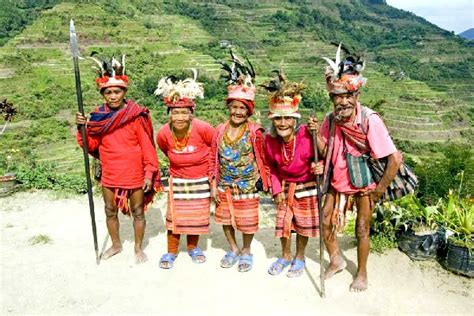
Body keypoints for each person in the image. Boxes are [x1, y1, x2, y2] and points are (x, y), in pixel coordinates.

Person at [309, 44, 402, 291]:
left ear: (356, 96)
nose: (342, 102)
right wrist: (314, 133)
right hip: (337, 179)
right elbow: (325, 150)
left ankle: (361, 273)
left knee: (362, 228)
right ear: (332, 99)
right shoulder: (330, 120)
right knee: (325, 220)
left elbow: (394, 159)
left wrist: (377, 192)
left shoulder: (370, 120)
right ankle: (336, 259)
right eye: (337, 97)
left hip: (364, 182)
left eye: (347, 96)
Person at [76, 55, 160, 264]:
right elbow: (92, 146)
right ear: (103, 93)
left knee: (138, 211)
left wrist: (149, 172)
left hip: (134, 172)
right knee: (109, 210)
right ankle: (116, 244)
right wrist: (82, 128)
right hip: (110, 171)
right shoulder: (97, 118)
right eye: (108, 92)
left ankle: (138, 248)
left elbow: (147, 146)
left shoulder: (135, 115)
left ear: (124, 92)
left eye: (117, 91)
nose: (113, 96)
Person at [209, 50, 270, 272]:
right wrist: (214, 184)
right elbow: (212, 158)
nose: (237, 111)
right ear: (229, 108)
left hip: (248, 183)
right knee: (225, 218)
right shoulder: (219, 130)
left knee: (247, 220)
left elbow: (263, 156)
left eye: (242, 108)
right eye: (234, 107)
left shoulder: (255, 131)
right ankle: (233, 248)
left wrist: (266, 180)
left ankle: (246, 250)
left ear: (249, 111)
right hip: (225, 183)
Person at [262, 71, 324, 277]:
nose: (282, 123)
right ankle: (286, 255)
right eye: (278, 119)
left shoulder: (308, 133)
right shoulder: (269, 141)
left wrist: (320, 166)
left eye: (287, 118)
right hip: (285, 185)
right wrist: (277, 189)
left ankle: (299, 256)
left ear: (295, 119)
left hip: (307, 185)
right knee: (284, 223)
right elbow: (270, 167)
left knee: (304, 225)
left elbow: (324, 155)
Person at [155, 71, 215, 269]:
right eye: (175, 112)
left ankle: (193, 248)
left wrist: (212, 179)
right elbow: (166, 151)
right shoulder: (164, 134)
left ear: (191, 113)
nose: (179, 116)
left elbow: (214, 150)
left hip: (200, 181)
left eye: (184, 112)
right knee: (174, 219)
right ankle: (171, 251)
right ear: (169, 114)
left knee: (195, 218)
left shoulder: (204, 128)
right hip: (178, 181)